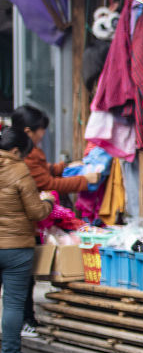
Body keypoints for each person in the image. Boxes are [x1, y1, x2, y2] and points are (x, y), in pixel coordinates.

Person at [11, 105, 99, 339]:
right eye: (40, 130)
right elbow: (41, 195)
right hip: (17, 239)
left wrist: (62, 169)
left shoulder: (17, 159)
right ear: (28, 132)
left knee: (15, 291)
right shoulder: (20, 164)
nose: (42, 135)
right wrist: (50, 202)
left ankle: (14, 342)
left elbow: (43, 174)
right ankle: (19, 336)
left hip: (13, 238)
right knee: (19, 289)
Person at [0, 123, 53, 353]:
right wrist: (50, 202)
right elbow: (35, 211)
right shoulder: (19, 169)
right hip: (16, 248)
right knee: (12, 303)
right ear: (15, 150)